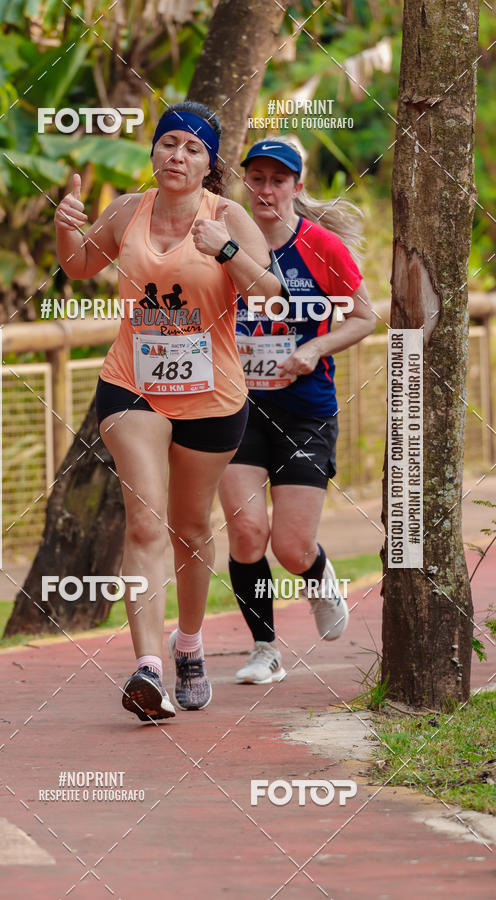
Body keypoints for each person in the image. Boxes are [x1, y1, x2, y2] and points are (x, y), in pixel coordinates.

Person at [55, 102, 282, 721]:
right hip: (133, 386)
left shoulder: (228, 215)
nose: (176, 156)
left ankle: (189, 644)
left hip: (212, 396)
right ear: (152, 151)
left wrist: (228, 250)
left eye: (192, 148)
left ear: (209, 165)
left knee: (188, 527)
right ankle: (147, 668)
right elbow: (77, 266)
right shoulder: (127, 210)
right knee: (144, 522)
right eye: (167, 143)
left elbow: (270, 293)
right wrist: (65, 225)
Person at [218, 136, 376, 684]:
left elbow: (363, 317)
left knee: (289, 547)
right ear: (245, 183)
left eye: (277, 180)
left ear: (296, 187)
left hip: (305, 411)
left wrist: (312, 349)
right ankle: (265, 649)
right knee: (244, 533)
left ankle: (319, 573)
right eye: (256, 178)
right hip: (234, 408)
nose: (265, 190)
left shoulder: (320, 246)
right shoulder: (219, 243)